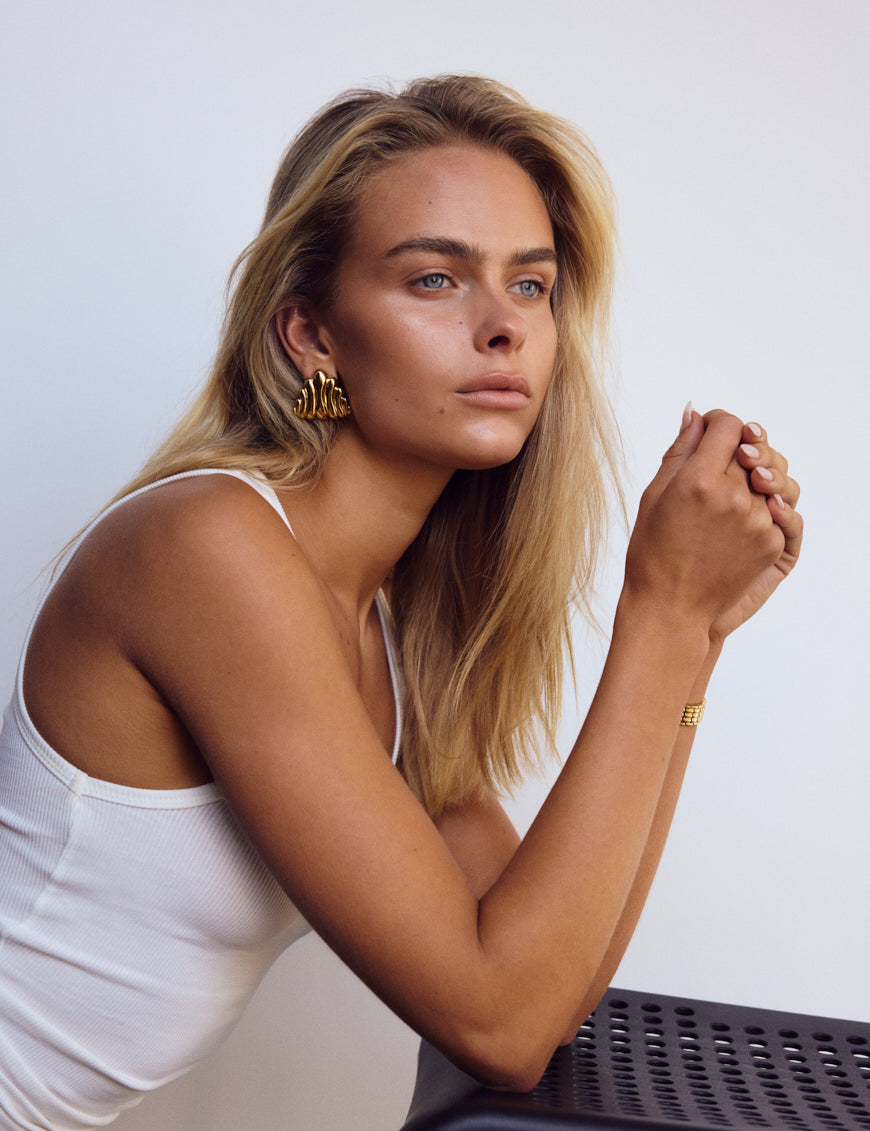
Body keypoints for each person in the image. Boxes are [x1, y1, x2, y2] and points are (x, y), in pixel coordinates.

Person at [0, 74, 802, 1130]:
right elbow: (499, 1019)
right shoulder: (210, 547)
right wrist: (658, 614)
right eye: (435, 279)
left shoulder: (391, 627)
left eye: (531, 285)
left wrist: (697, 637)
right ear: (312, 336)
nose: (504, 327)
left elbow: (554, 989)